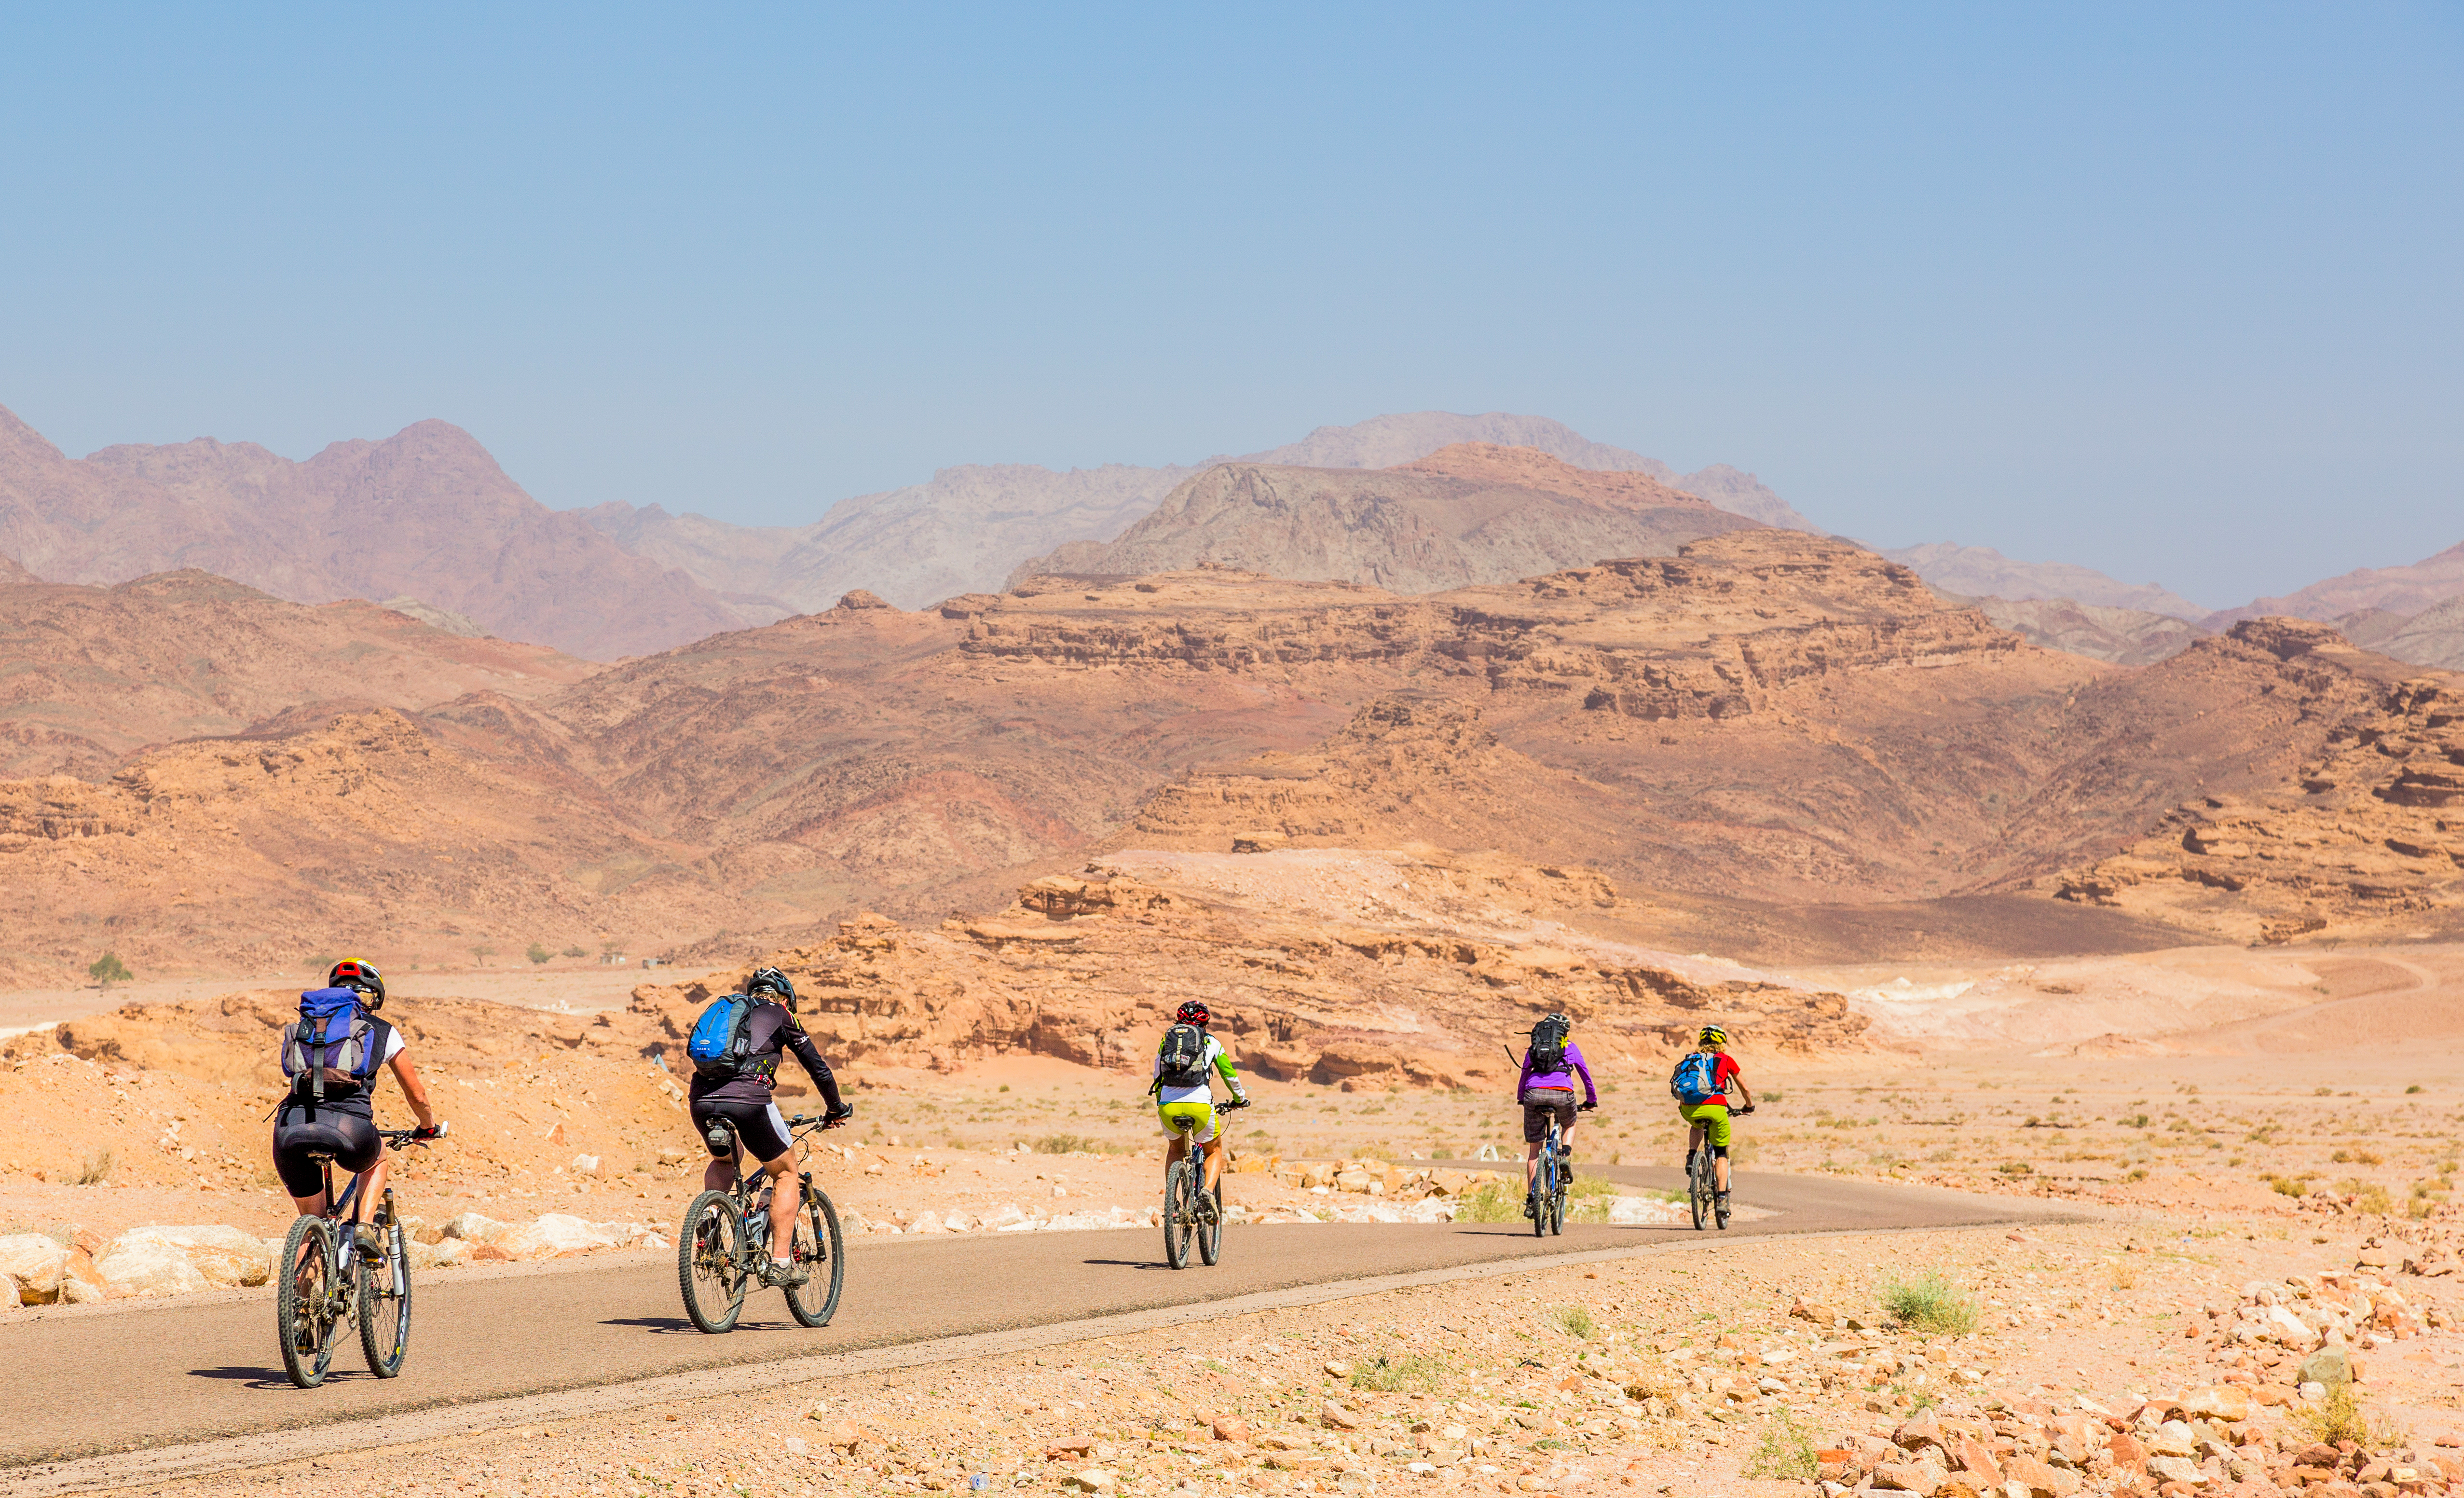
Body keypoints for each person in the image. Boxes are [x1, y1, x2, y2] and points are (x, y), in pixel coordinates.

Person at [687, 966, 853, 1286]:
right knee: (786, 1172)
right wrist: (835, 1108)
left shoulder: (728, 1013)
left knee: (725, 1157)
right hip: (749, 1101)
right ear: (785, 998)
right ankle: (780, 1261)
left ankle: (707, 1217)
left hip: (702, 1100)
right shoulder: (781, 1013)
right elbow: (817, 1067)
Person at [271, 960, 445, 1257]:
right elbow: (417, 1095)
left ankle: (298, 1299)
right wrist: (429, 1125)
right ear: (372, 998)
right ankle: (364, 1226)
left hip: (291, 1128)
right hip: (350, 1127)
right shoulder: (383, 1031)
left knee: (312, 1224)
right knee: (377, 1158)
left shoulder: (308, 1025)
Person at [1150, 1001, 1249, 1216]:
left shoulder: (1166, 1042)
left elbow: (1156, 1074)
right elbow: (1229, 1074)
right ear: (1206, 1022)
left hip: (1168, 1106)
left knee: (1175, 1150)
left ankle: (1173, 1201)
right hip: (1201, 1106)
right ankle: (1207, 1191)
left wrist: (1162, 1100)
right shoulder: (1211, 1042)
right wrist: (1240, 1099)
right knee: (1213, 1150)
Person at [1515, 1012, 1597, 1215]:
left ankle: (1532, 1200)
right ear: (1564, 1032)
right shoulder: (1570, 1047)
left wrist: (1521, 1098)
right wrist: (1591, 1100)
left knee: (1535, 1152)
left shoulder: (1534, 1047)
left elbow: (1525, 1072)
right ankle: (1565, 1157)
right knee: (1570, 1123)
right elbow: (1584, 1073)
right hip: (1563, 1094)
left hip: (1533, 1094)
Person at [1674, 1025, 1755, 1215]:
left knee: (1696, 1124)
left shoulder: (1690, 1058)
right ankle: (1721, 1199)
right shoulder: (1726, 1060)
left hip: (1689, 1109)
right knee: (1721, 1154)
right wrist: (1748, 1106)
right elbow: (1745, 1089)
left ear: (1702, 1043)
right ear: (1722, 1044)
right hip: (1717, 1109)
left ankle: (1692, 1156)